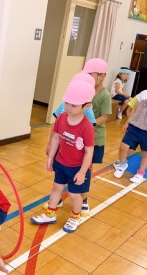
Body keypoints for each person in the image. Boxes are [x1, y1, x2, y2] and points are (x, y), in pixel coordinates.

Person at [43, 58, 109, 216]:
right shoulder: (71, 101)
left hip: (90, 142)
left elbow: (94, 125)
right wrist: (50, 145)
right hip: (68, 141)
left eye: (92, 75)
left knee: (83, 172)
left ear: (101, 76)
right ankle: (58, 198)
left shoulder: (93, 101)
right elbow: (57, 129)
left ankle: (82, 198)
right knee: (64, 170)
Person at [32, 79, 95, 233]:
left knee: (74, 194)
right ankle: (50, 213)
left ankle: (75, 216)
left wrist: (82, 172)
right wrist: (51, 157)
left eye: (74, 105)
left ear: (86, 106)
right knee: (56, 188)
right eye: (67, 103)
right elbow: (55, 137)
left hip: (77, 168)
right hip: (61, 163)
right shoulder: (61, 118)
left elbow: (89, 151)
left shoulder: (86, 126)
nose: (68, 107)